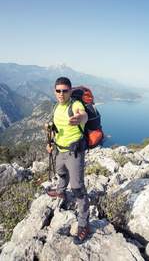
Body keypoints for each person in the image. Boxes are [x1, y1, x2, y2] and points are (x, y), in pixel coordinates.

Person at [46, 76, 90, 245]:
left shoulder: (75, 106)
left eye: (65, 91)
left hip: (74, 153)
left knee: (78, 189)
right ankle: (60, 191)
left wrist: (81, 119)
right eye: (58, 91)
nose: (61, 94)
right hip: (59, 151)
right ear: (55, 91)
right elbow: (54, 129)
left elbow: (83, 115)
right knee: (61, 173)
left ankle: (83, 224)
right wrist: (50, 143)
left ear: (70, 91)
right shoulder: (56, 108)